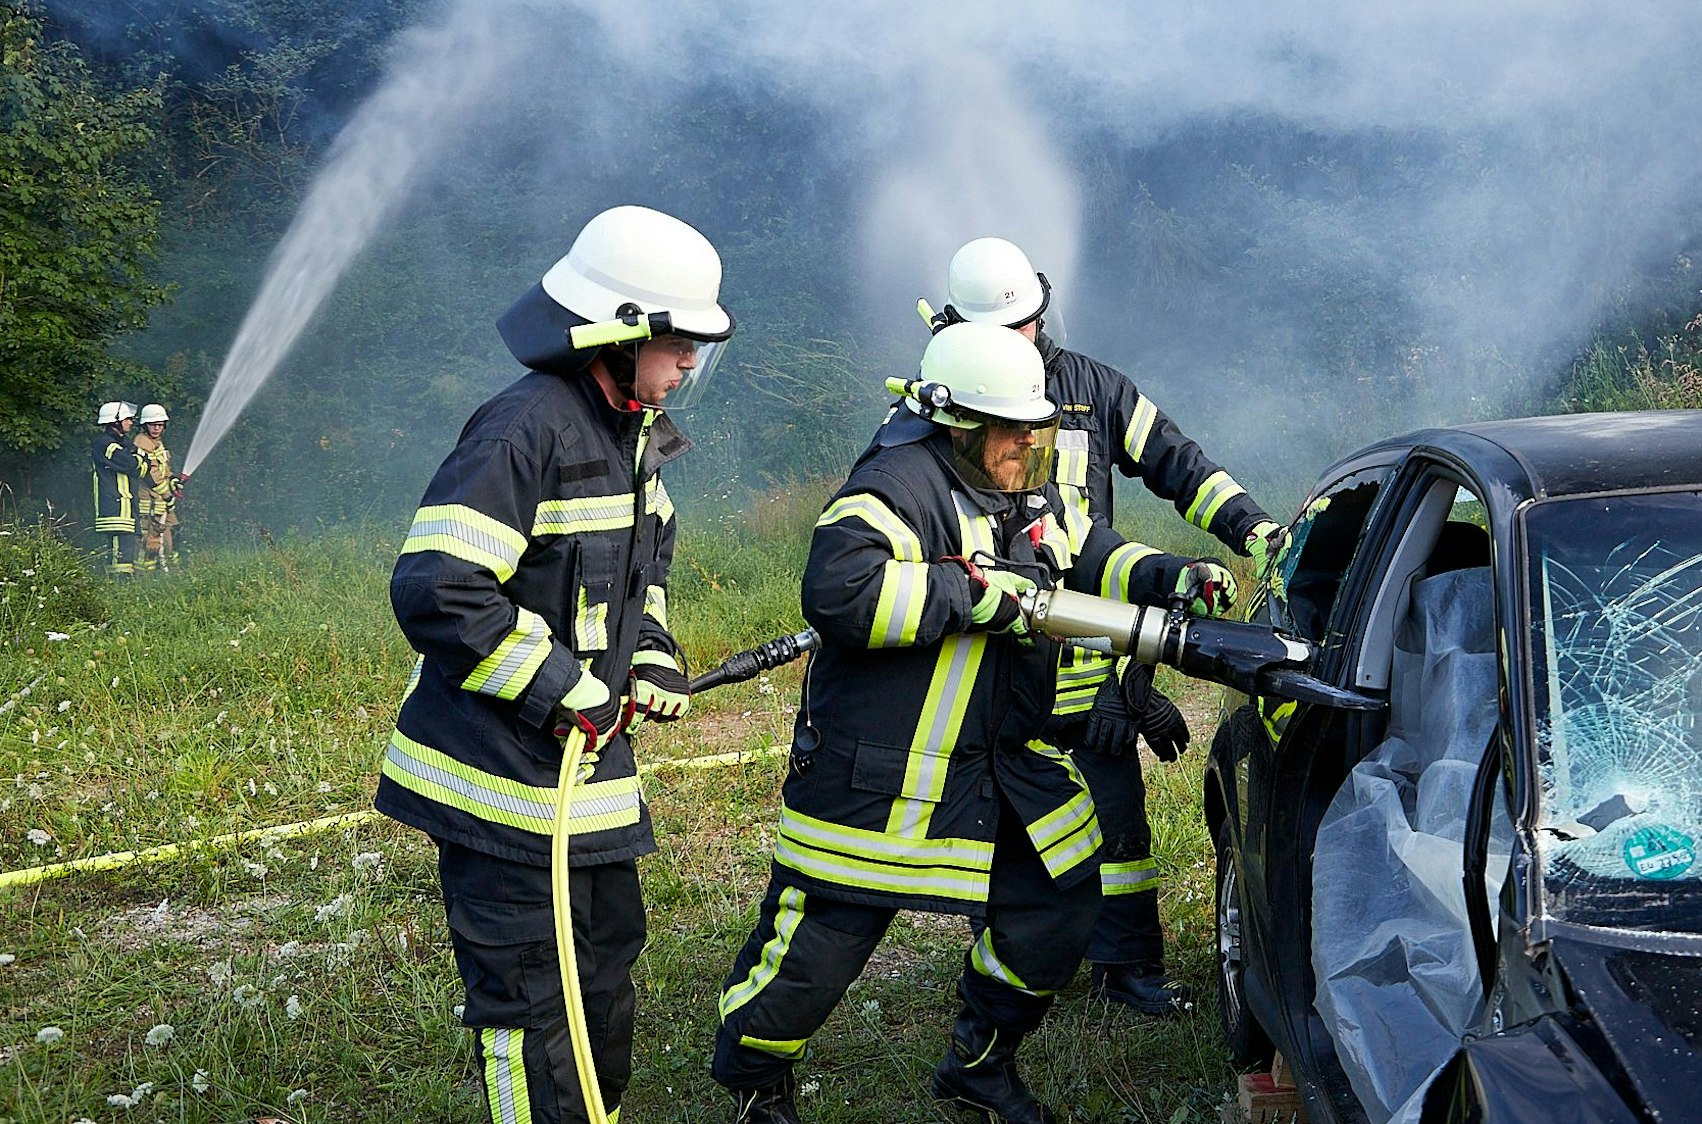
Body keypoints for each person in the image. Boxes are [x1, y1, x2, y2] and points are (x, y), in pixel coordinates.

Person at [710, 321, 1235, 1124]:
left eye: (1035, 427)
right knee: (818, 954)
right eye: (1012, 428)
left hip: (1003, 759)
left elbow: (1087, 549)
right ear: (958, 424)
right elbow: (839, 592)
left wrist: (1171, 575)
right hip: (887, 773)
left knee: (1061, 903)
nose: (1029, 441)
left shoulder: (1020, 484)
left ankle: (979, 1069)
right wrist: (968, 593)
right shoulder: (894, 486)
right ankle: (753, 1081)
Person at [376, 204, 731, 1123]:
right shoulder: (522, 431)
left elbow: (641, 573)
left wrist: (650, 655)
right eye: (678, 344)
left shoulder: (631, 434)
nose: (689, 364)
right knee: (534, 1003)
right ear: (619, 334)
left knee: (603, 966)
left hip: (581, 780)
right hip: (498, 782)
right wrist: (562, 687)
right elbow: (439, 588)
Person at [921, 237, 1282, 1016]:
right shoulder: (943, 401)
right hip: (991, 645)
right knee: (1002, 818)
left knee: (1115, 813)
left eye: (1026, 326)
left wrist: (1253, 529)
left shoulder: (1094, 389)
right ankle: (1016, 962)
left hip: (1090, 640)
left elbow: (1179, 465)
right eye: (998, 332)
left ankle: (1128, 968)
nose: (1019, 343)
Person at [89, 401, 143, 578]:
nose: (131, 422)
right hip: (114, 507)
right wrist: (137, 460)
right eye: (127, 419)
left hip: (126, 508)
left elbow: (143, 465)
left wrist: (138, 461)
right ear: (115, 421)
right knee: (118, 554)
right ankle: (117, 585)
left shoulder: (124, 443)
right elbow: (130, 463)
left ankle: (124, 583)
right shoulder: (103, 443)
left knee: (127, 550)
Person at [130, 403, 182, 572]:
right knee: (149, 540)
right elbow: (150, 474)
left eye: (160, 425)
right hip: (150, 501)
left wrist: (172, 480)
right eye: (153, 425)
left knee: (170, 533)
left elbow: (163, 470)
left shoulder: (157, 443)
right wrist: (167, 495)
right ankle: (143, 575)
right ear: (145, 425)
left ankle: (171, 570)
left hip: (161, 502)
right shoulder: (142, 443)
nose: (156, 428)